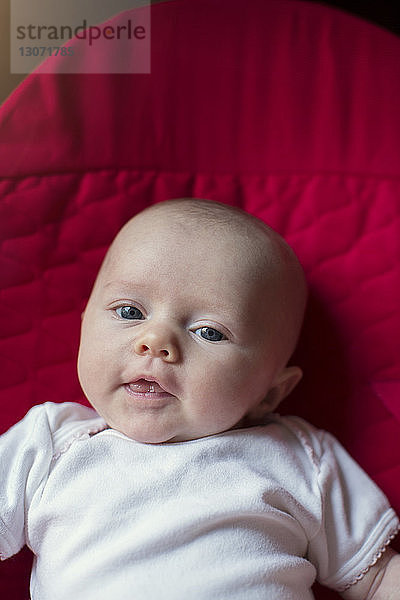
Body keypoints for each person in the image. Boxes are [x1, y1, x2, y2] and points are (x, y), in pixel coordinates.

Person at [0, 198, 399, 599]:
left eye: (209, 332)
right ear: (85, 324)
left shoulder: (302, 458)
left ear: (270, 392)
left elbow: (378, 579)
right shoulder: (52, 444)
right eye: (128, 311)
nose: (155, 341)